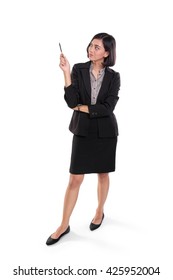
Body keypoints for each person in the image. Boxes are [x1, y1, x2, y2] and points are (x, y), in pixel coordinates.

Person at [46, 32, 120, 245]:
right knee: (74, 179)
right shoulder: (78, 69)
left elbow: (108, 108)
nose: (91, 49)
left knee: (103, 174)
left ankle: (99, 211)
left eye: (97, 47)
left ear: (106, 53)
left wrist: (84, 107)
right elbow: (71, 102)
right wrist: (66, 73)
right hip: (83, 130)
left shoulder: (114, 77)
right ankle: (63, 225)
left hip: (106, 132)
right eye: (90, 45)